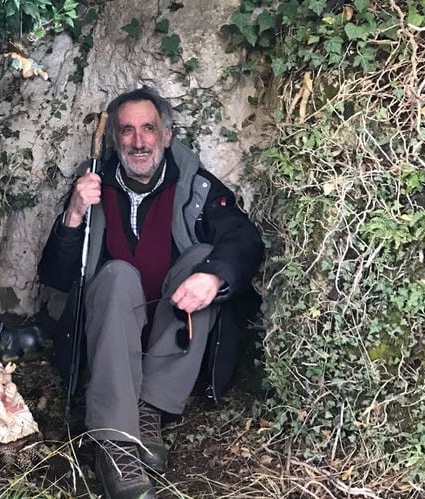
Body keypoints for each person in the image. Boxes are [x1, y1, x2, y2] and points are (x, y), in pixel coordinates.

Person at [38, 87, 264, 498]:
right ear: (114, 139)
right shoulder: (92, 185)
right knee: (119, 274)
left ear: (166, 135)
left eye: (148, 129)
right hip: (110, 332)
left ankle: (149, 408)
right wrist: (72, 215)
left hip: (170, 328)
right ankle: (114, 442)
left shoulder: (197, 187)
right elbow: (54, 275)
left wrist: (213, 277)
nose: (138, 141)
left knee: (205, 257)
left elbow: (243, 238)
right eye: (127, 131)